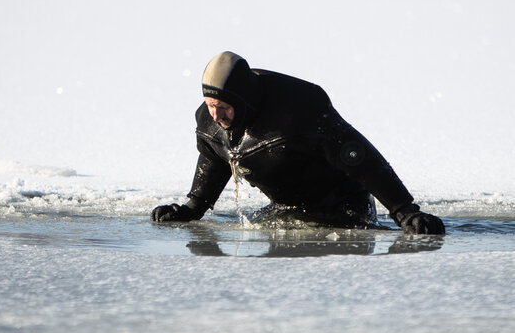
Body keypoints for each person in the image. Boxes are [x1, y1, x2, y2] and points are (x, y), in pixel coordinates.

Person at [151, 51, 445, 234]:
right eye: (210, 104)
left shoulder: (298, 112)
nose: (216, 115)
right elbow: (216, 157)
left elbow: (360, 157)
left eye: (224, 106)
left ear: (243, 99)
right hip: (285, 211)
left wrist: (405, 211)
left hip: (343, 212)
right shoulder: (210, 120)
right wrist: (193, 207)